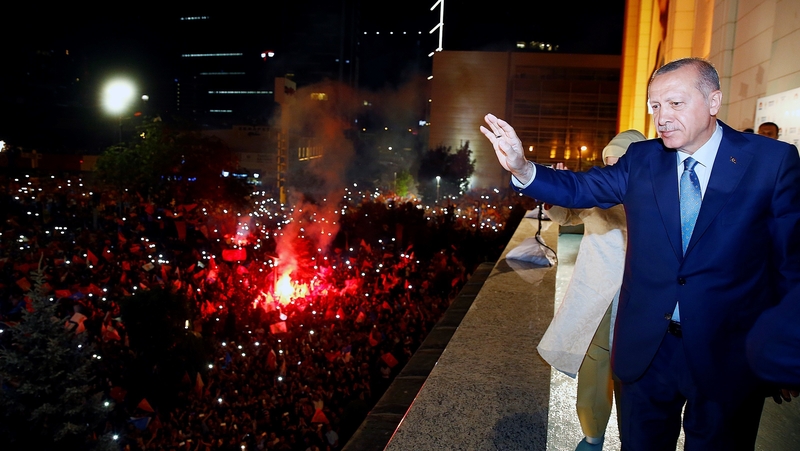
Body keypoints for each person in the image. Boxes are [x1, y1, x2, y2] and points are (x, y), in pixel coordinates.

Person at [480, 57, 800, 450]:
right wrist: (524, 167)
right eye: (655, 106)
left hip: (730, 354)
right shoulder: (643, 159)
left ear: (713, 101)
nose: (662, 117)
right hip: (648, 351)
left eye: (675, 103)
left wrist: (787, 345)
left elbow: (790, 264)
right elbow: (580, 190)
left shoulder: (771, 162)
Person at [537, 130, 645, 450]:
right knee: (595, 360)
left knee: (633, 370)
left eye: (619, 164)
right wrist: (555, 193)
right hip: (598, 290)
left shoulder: (657, 197)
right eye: (608, 164)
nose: (612, 172)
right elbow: (568, 214)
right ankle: (593, 432)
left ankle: (634, 437)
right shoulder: (598, 195)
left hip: (638, 297)